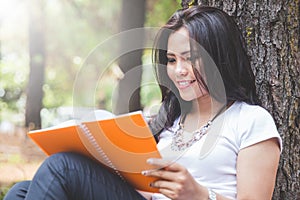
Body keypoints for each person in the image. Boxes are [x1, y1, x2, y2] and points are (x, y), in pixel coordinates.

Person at [4, 5, 281, 200]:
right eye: (171, 60)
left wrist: (199, 195)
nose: (178, 71)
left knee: (61, 167)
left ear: (219, 57)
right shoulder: (168, 120)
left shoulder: (251, 120)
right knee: (21, 192)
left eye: (191, 57)